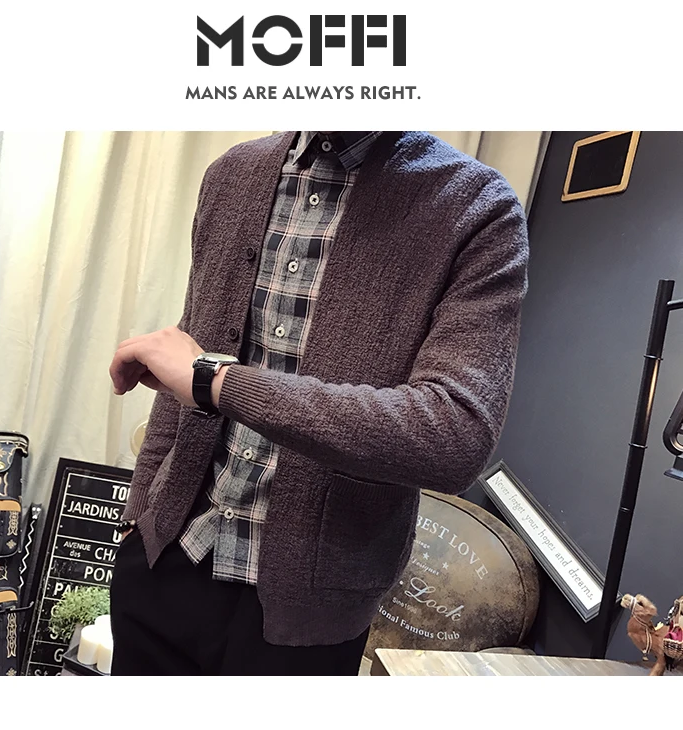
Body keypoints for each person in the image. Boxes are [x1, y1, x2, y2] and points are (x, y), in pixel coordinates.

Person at [108, 131, 529, 676]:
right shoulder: (231, 174)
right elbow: (185, 362)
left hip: (308, 620)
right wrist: (139, 519)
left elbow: (454, 435)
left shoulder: (476, 207)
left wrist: (220, 382)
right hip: (166, 563)